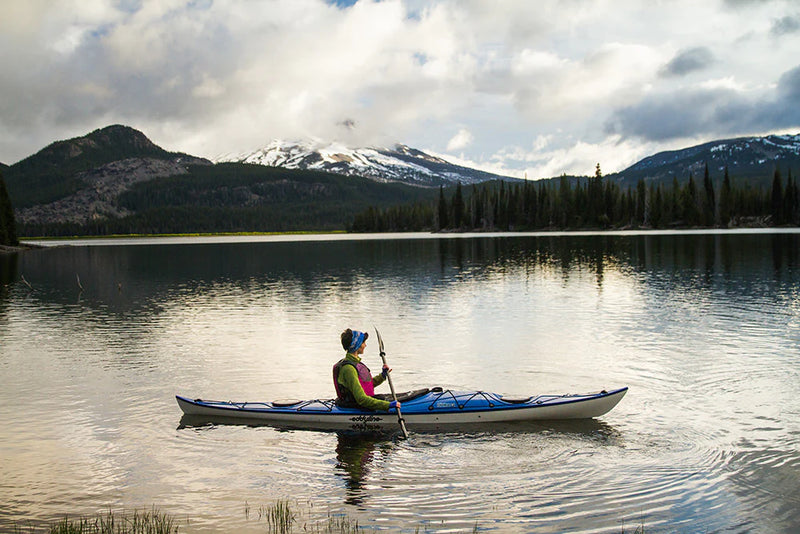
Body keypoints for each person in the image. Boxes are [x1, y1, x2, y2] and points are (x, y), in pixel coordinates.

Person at [333, 329, 401, 412]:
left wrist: (382, 376)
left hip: (358, 402)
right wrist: (387, 405)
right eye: (363, 342)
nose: (365, 345)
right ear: (357, 345)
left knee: (382, 397)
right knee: (382, 398)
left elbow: (367, 385)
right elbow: (361, 399)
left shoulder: (354, 363)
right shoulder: (348, 369)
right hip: (354, 405)